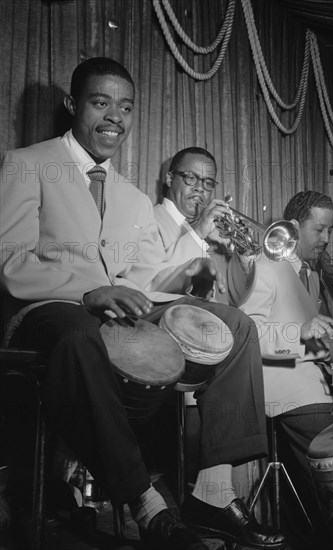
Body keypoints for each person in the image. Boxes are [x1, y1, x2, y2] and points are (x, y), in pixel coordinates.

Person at [0, 57, 285, 550]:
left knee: (238, 326)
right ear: (73, 105)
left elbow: (138, 279)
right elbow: (10, 262)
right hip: (48, 309)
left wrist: (171, 295)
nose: (115, 117)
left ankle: (213, 493)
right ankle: (147, 504)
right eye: (100, 102)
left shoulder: (132, 199)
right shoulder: (27, 163)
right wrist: (89, 292)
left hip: (120, 313)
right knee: (78, 333)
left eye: (126, 107)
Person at [240, 190, 333, 547]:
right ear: (292, 227)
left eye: (330, 231)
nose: (326, 239)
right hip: (284, 385)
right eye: (320, 230)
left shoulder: (310, 276)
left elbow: (316, 338)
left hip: (313, 384)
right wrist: (298, 332)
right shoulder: (265, 264)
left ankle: (319, 535)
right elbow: (246, 331)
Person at [154, 147, 255, 306]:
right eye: (191, 177)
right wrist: (198, 232)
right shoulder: (149, 220)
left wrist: (243, 261)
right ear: (169, 179)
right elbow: (152, 288)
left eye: (208, 182)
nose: (200, 188)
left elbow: (234, 300)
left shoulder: (216, 234)